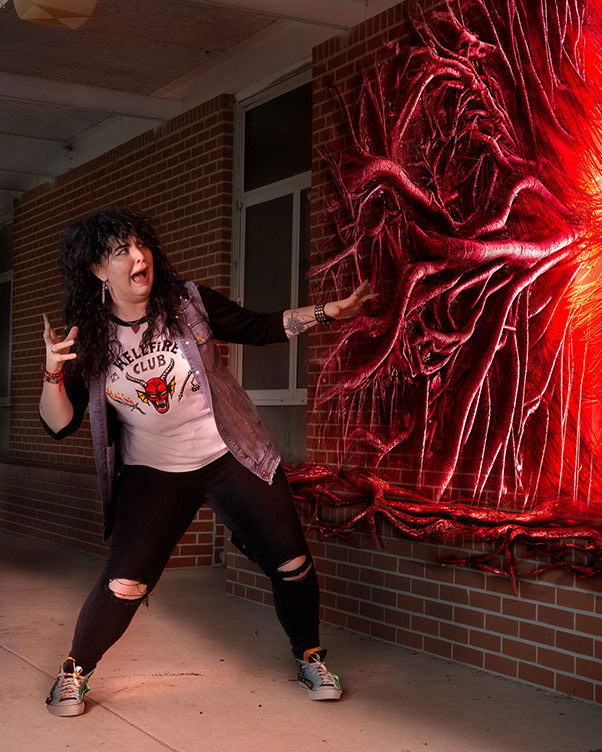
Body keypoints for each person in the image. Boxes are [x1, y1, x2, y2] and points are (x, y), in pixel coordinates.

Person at [39, 206, 371, 716]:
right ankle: (74, 673)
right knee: (125, 582)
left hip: (228, 453)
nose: (137, 256)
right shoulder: (87, 340)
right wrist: (52, 376)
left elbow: (262, 326)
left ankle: (309, 655)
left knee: (293, 562)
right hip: (153, 474)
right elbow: (59, 425)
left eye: (139, 244)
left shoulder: (188, 303)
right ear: (98, 271)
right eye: (120, 251)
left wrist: (329, 312)